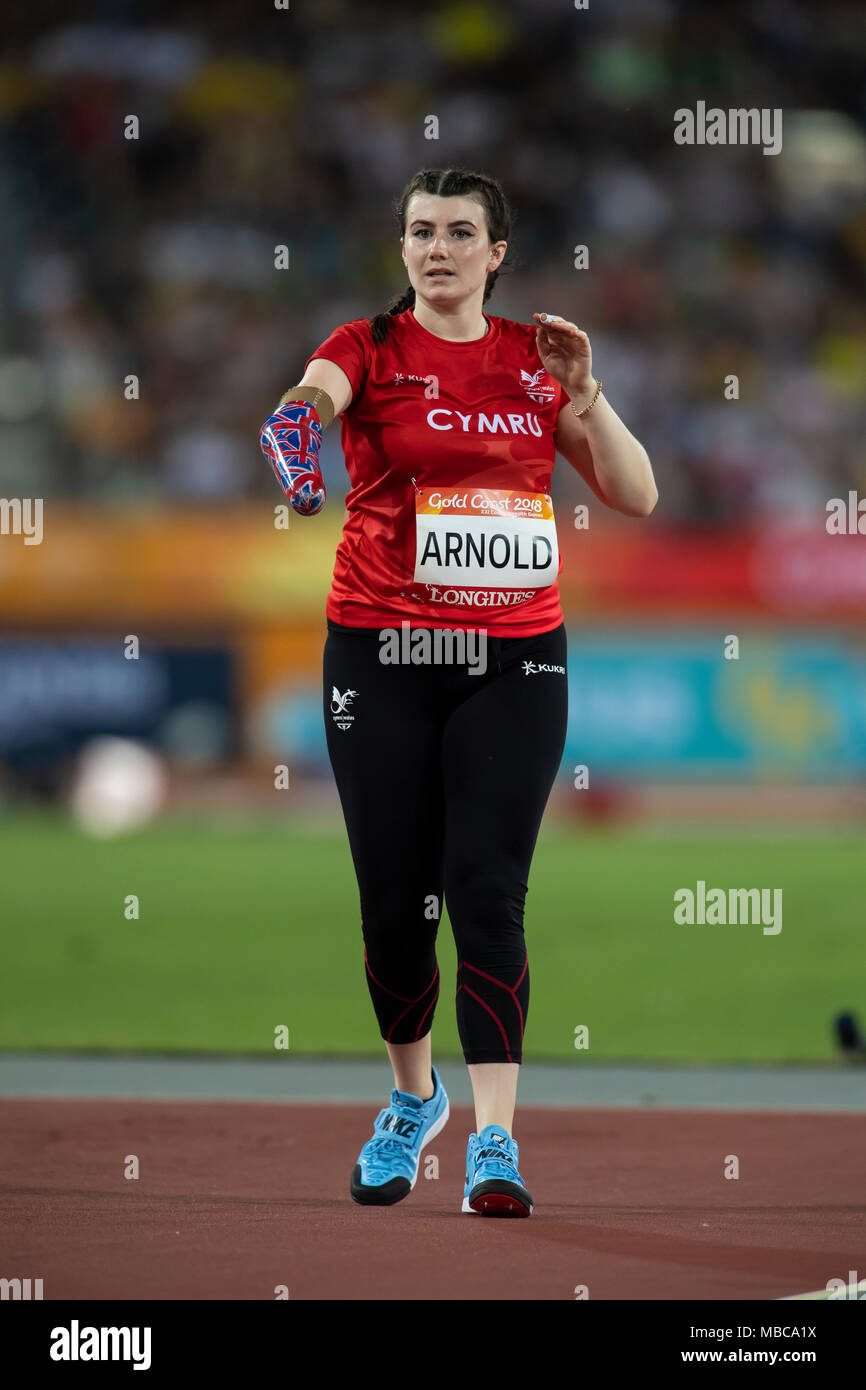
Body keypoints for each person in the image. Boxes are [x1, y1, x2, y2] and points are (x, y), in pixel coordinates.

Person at [259, 167, 657, 1217]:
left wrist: (588, 395)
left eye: (457, 232)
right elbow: (306, 406)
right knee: (394, 907)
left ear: (496, 253)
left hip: (510, 658)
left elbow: (634, 492)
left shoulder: (536, 357)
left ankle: (494, 1142)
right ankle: (411, 1099)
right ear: (403, 248)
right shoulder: (364, 346)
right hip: (381, 652)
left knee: (486, 890)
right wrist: (297, 439)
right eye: (419, 231)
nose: (434, 247)